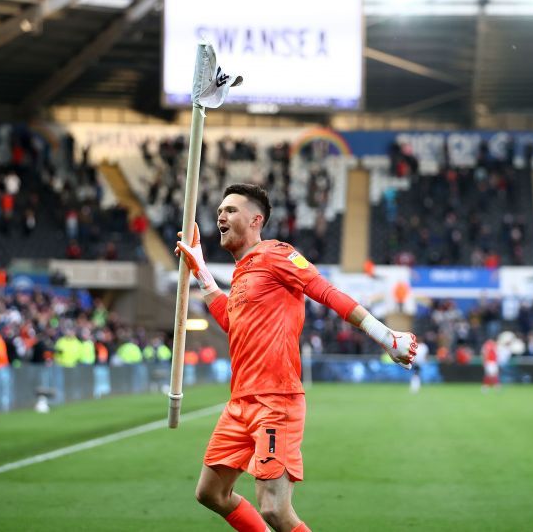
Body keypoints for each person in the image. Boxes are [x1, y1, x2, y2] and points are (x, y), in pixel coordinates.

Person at [176, 184, 417, 532]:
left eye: (230, 210)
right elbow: (232, 322)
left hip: (276, 399)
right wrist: (201, 271)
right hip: (239, 402)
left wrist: (385, 335)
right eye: (219, 212)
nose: (220, 216)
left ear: (256, 219)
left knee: (274, 508)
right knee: (211, 492)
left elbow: (326, 291)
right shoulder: (243, 272)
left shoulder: (276, 253)